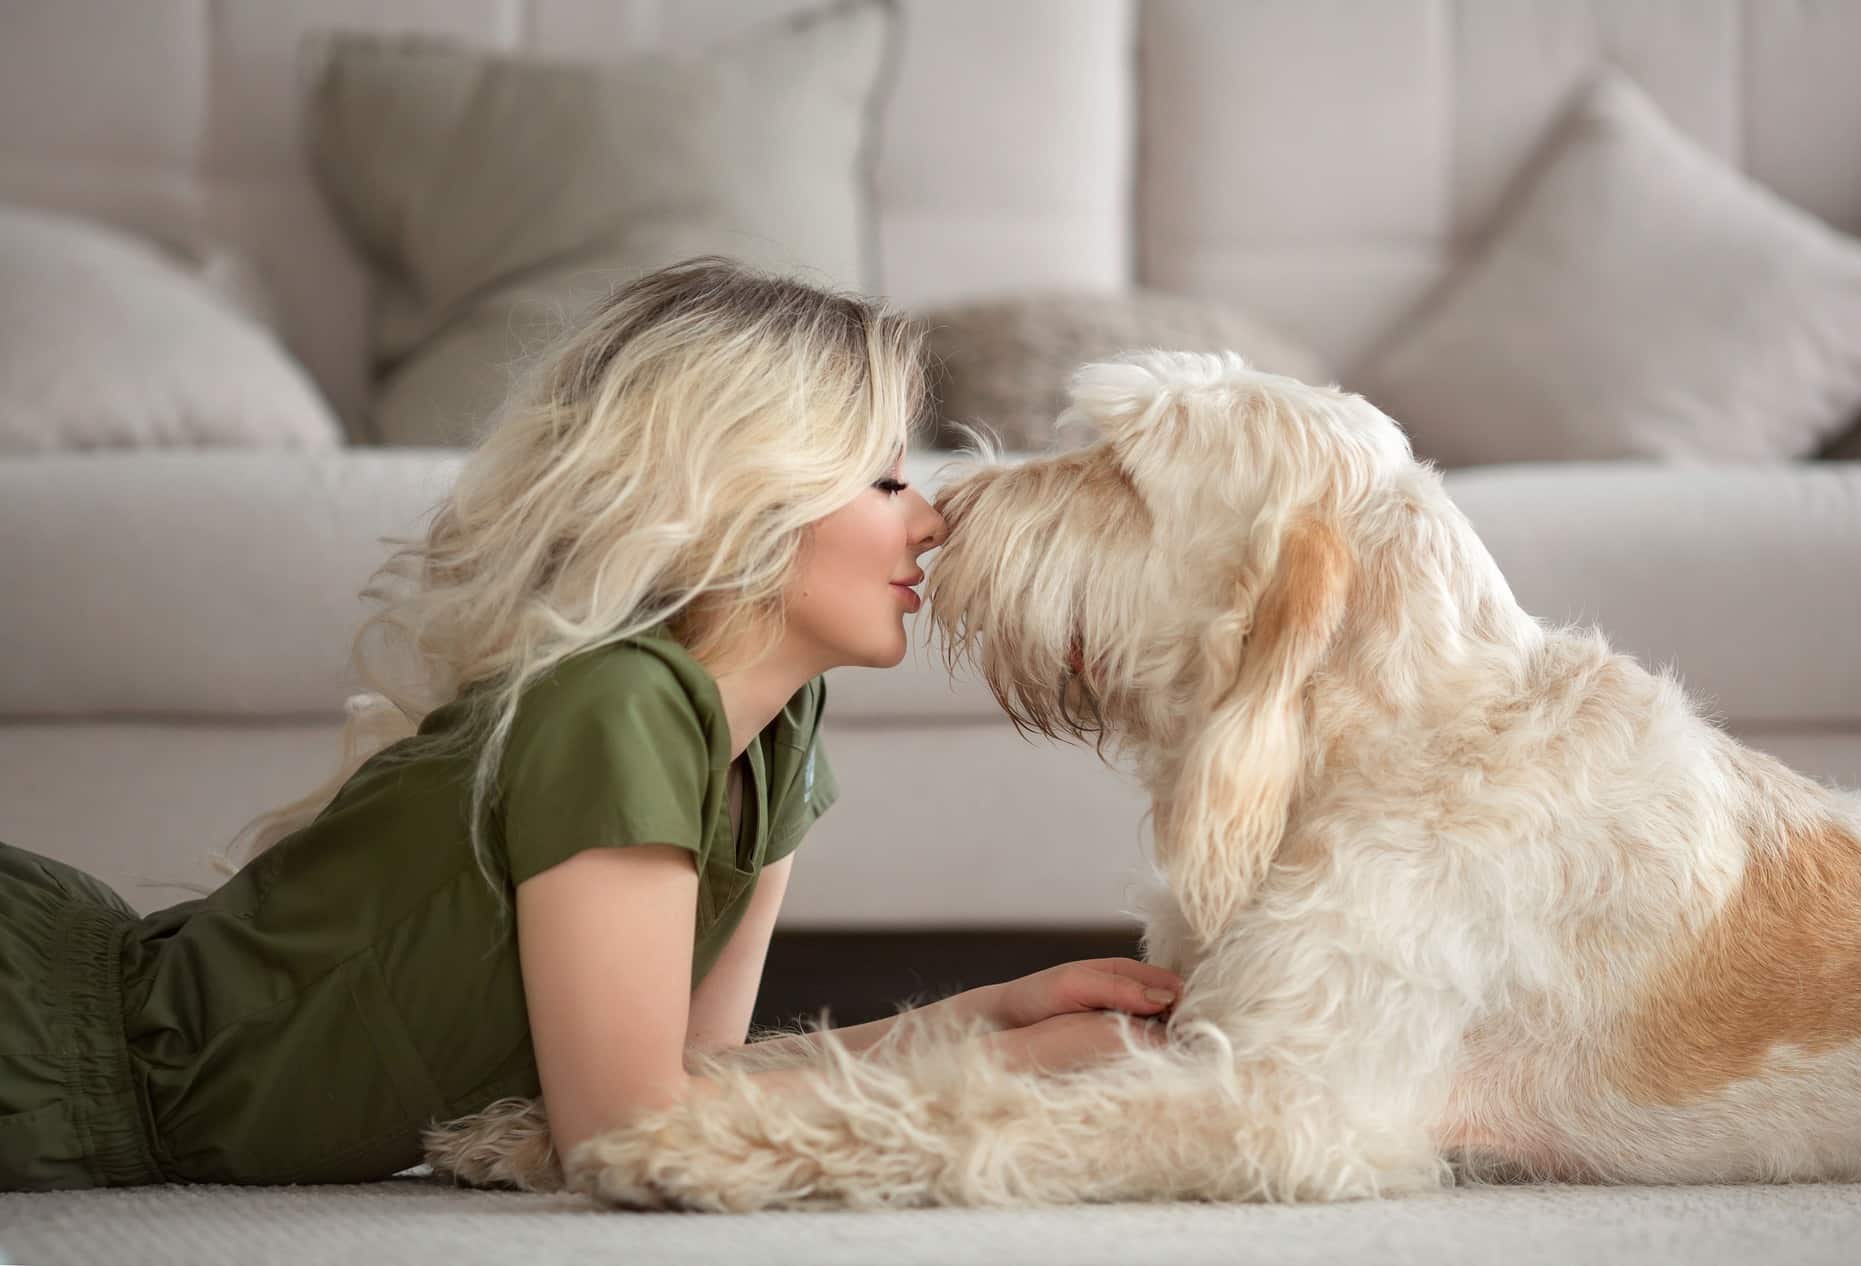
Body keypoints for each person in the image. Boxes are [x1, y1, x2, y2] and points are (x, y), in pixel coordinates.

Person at [0, 257, 1182, 1192]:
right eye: (883, 481)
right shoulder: (618, 703)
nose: (931, 522)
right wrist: (1000, 1066)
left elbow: (687, 1087)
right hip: (44, 1041)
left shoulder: (775, 732)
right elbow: (621, 1136)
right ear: (740, 499)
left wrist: (983, 1014)